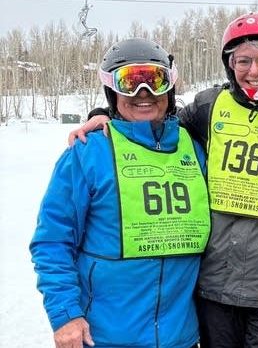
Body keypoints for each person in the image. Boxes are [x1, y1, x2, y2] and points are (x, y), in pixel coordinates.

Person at [68, 13, 258, 347]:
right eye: (243, 61)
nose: (254, 71)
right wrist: (105, 115)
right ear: (230, 66)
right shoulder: (211, 106)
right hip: (215, 287)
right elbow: (154, 116)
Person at [31, 38, 212, 348]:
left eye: (155, 81)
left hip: (180, 337)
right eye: (129, 82)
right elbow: (53, 240)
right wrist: (65, 314)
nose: (143, 93)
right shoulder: (88, 152)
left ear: (169, 89)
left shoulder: (193, 148)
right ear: (112, 92)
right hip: (106, 337)